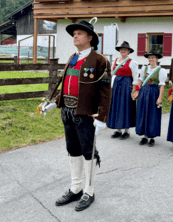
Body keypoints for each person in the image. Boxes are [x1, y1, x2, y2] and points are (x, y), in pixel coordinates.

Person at [40, 20, 112, 211]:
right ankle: (76, 188)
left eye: (79, 33)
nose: (75, 36)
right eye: (74, 34)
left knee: (88, 152)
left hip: (86, 114)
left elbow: (105, 92)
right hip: (68, 112)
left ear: (90, 38)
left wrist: (102, 118)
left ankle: (89, 191)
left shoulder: (100, 61)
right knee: (73, 150)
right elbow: (66, 85)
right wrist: (55, 102)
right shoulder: (73, 57)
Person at [133, 48, 167, 146]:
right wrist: (136, 90)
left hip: (154, 92)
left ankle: (151, 137)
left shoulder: (161, 70)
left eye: (153, 57)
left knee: (152, 113)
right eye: (149, 57)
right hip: (144, 91)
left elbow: (162, 85)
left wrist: (160, 98)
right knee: (143, 112)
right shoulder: (145, 68)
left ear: (157, 59)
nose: (151, 59)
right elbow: (140, 80)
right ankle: (144, 136)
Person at [107, 41, 138, 140]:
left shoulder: (132, 62)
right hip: (116, 85)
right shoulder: (115, 61)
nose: (123, 50)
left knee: (125, 106)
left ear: (129, 51)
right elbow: (112, 74)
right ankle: (118, 129)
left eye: (125, 49)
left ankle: (126, 130)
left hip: (126, 85)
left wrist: (134, 91)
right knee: (116, 106)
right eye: (121, 49)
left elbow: (135, 77)